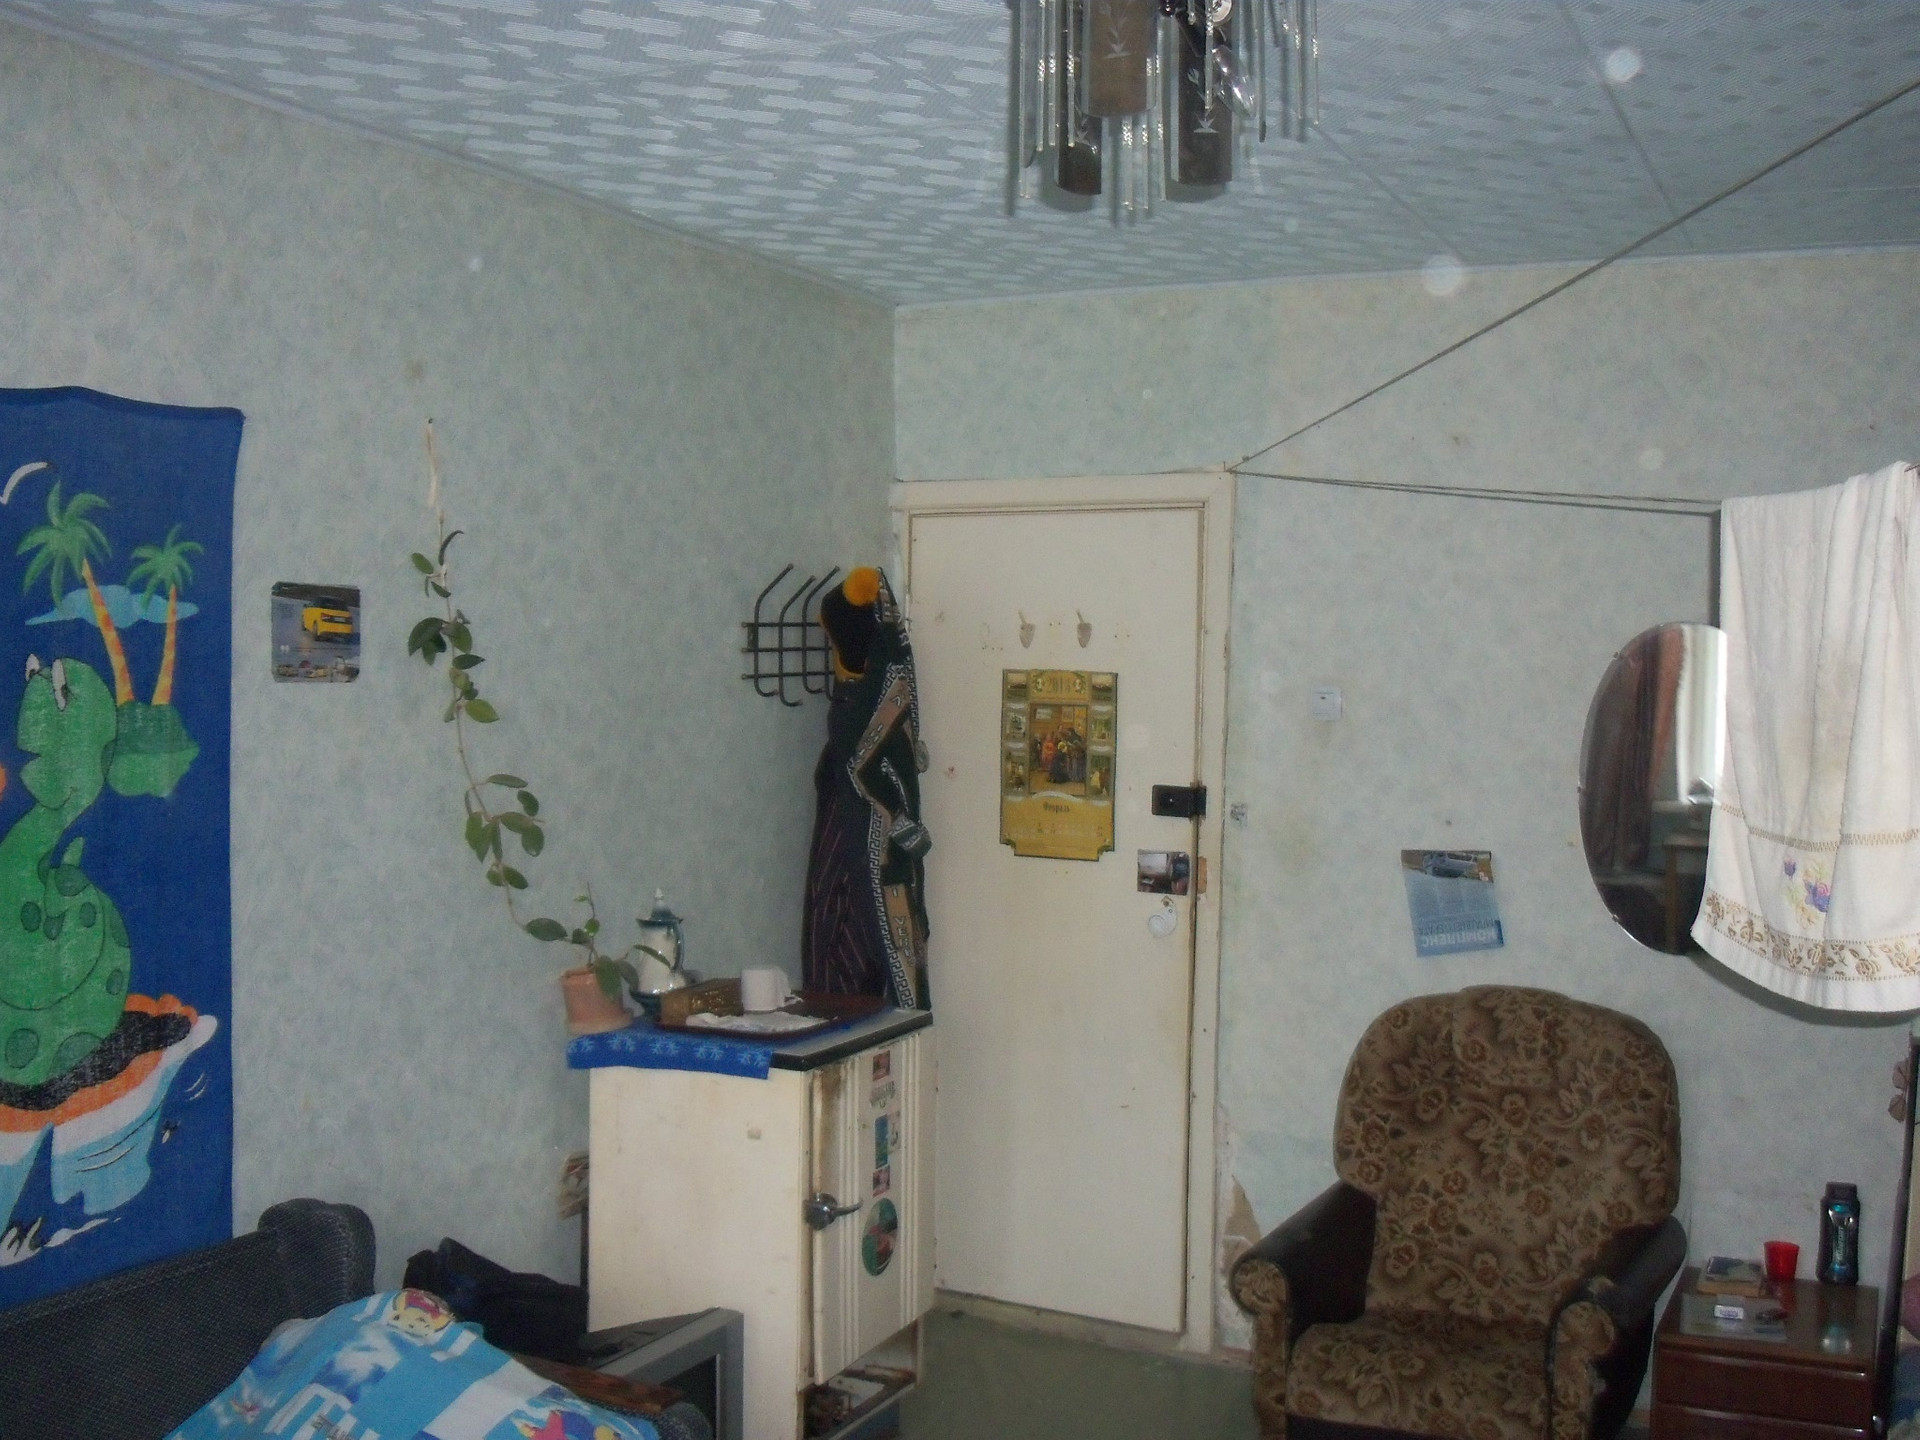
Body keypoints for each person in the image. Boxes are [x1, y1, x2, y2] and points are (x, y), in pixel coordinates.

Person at [801, 568, 931, 1009]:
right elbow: (863, 765)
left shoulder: (871, 682)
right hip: (864, 827)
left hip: (873, 833)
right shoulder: (874, 681)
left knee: (857, 926)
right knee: (851, 925)